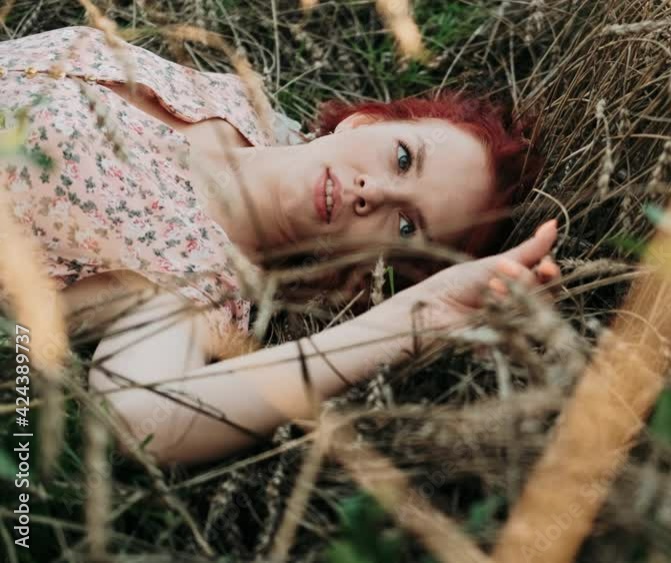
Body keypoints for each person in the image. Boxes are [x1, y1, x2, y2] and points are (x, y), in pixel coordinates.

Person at [0, 26, 560, 466]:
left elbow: (145, 420)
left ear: (367, 273)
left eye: (407, 226)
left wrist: (411, 319)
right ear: (364, 121)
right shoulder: (238, 104)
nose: (376, 192)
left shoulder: (199, 279)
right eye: (404, 157)